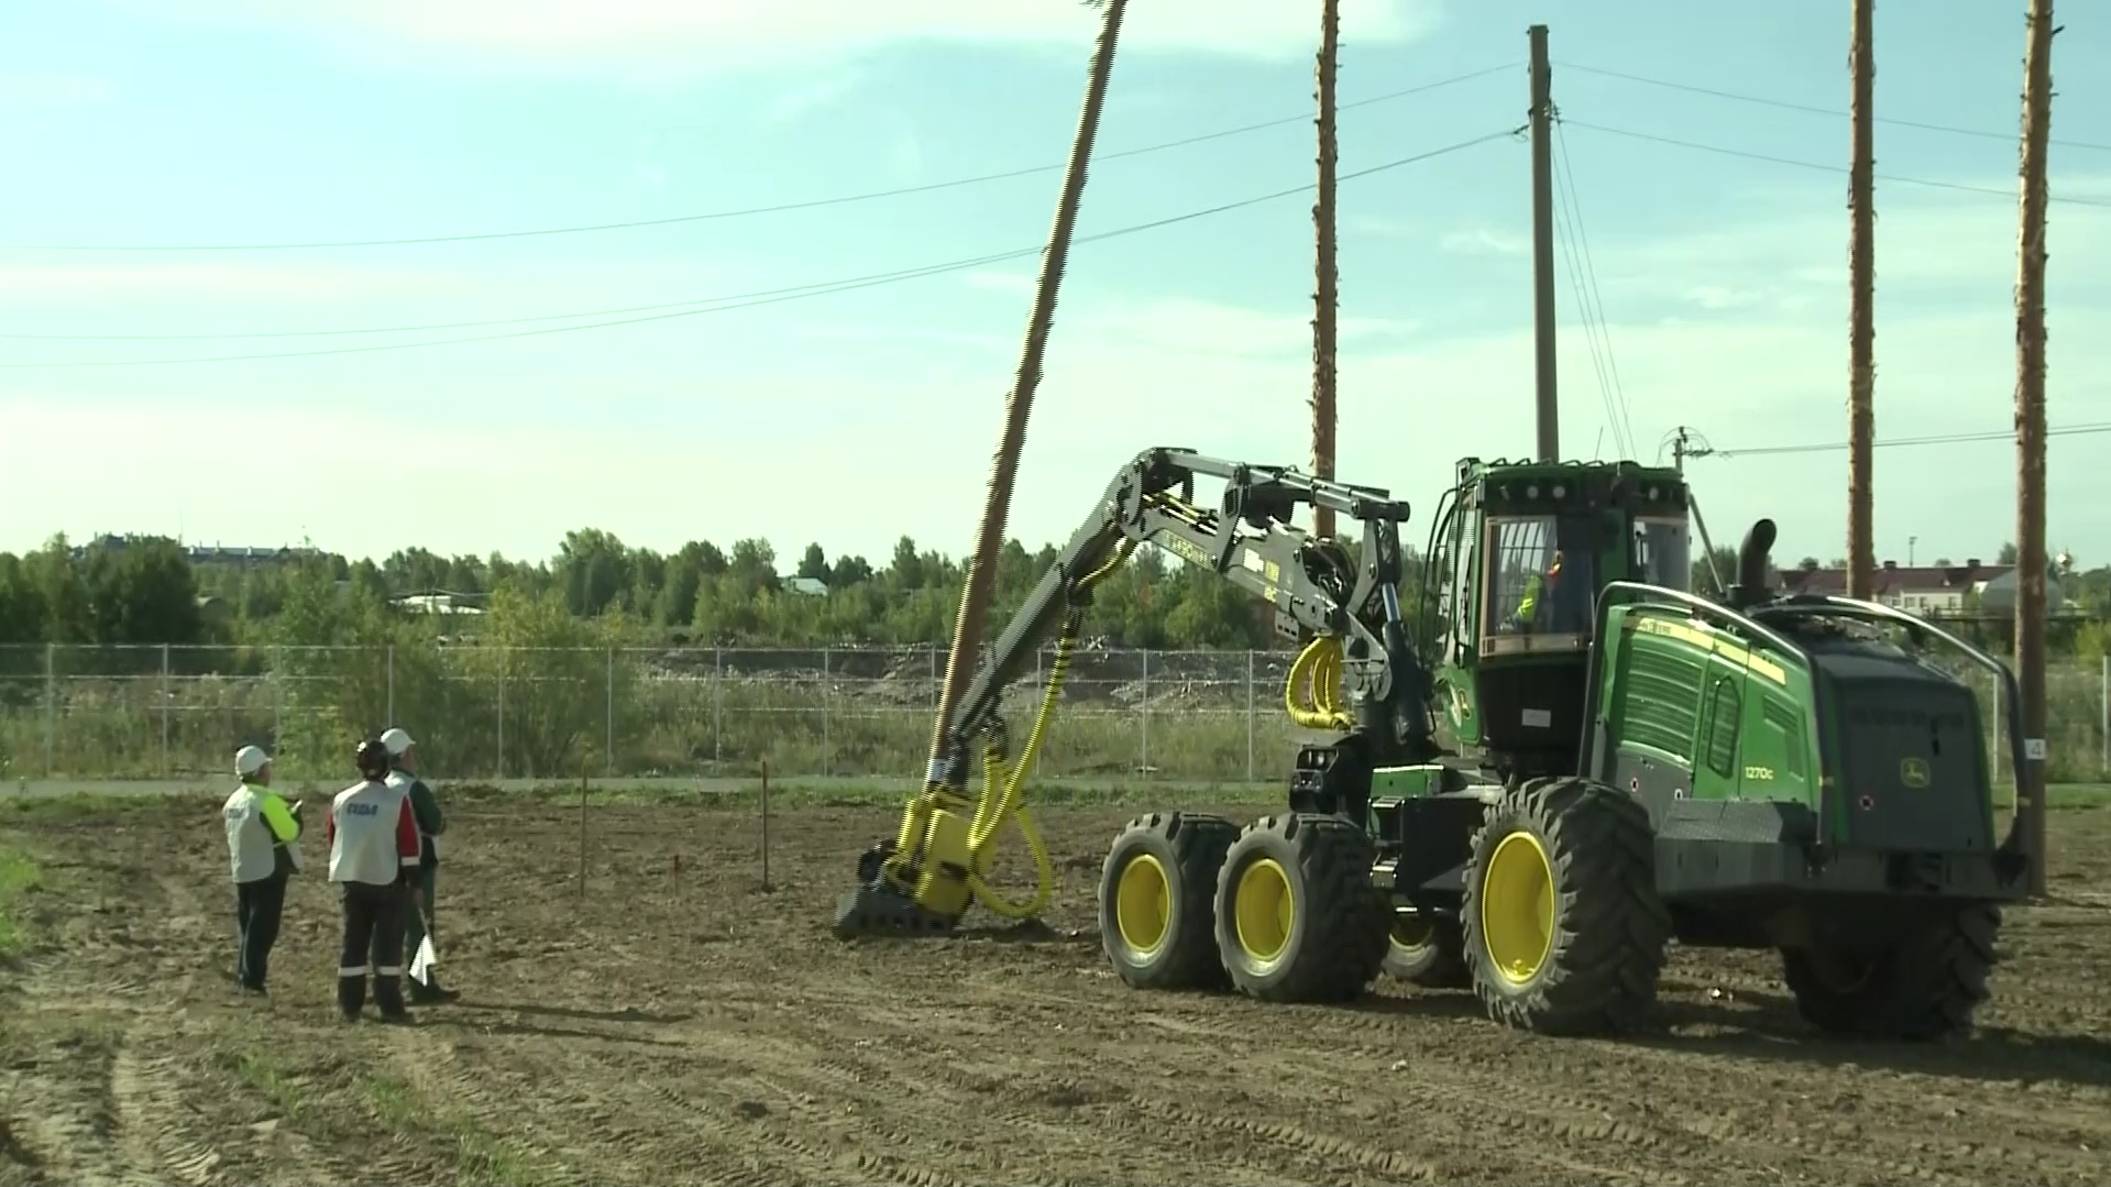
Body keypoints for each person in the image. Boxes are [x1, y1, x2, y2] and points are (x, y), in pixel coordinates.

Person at [326, 738, 422, 1024]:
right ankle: (390, 1004)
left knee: (353, 941)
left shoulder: (343, 799)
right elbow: (408, 845)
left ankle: (349, 1003)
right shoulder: (396, 801)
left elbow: (334, 837)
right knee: (387, 944)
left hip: (352, 880)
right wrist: (415, 883)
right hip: (387, 881)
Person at [380, 726, 457, 1003]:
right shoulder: (414, 788)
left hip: (385, 866)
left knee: (388, 927)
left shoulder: (381, 786)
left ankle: (385, 983)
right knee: (420, 927)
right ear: (403, 755)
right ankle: (422, 986)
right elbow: (435, 824)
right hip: (417, 867)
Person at [221, 745, 301, 995]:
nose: (270, 771)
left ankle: (245, 975)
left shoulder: (233, 801)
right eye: (267, 767)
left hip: (242, 869)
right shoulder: (267, 801)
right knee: (262, 930)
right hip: (269, 871)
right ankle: (252, 980)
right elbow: (289, 832)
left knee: (247, 927)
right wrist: (297, 817)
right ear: (259, 771)